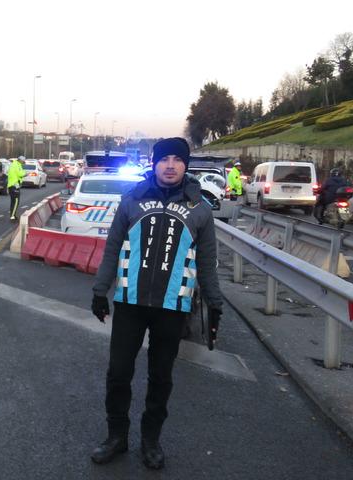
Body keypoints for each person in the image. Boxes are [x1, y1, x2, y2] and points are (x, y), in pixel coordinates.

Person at [90, 137, 223, 470]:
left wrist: (215, 304)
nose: (170, 165)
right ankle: (117, 437)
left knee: (160, 377)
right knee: (118, 373)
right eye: (165, 159)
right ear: (155, 162)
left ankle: (151, 441)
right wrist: (99, 291)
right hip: (130, 303)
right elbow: (111, 249)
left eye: (178, 160)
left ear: (185, 165)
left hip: (172, 306)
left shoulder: (200, 209)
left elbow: (207, 262)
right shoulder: (131, 200)